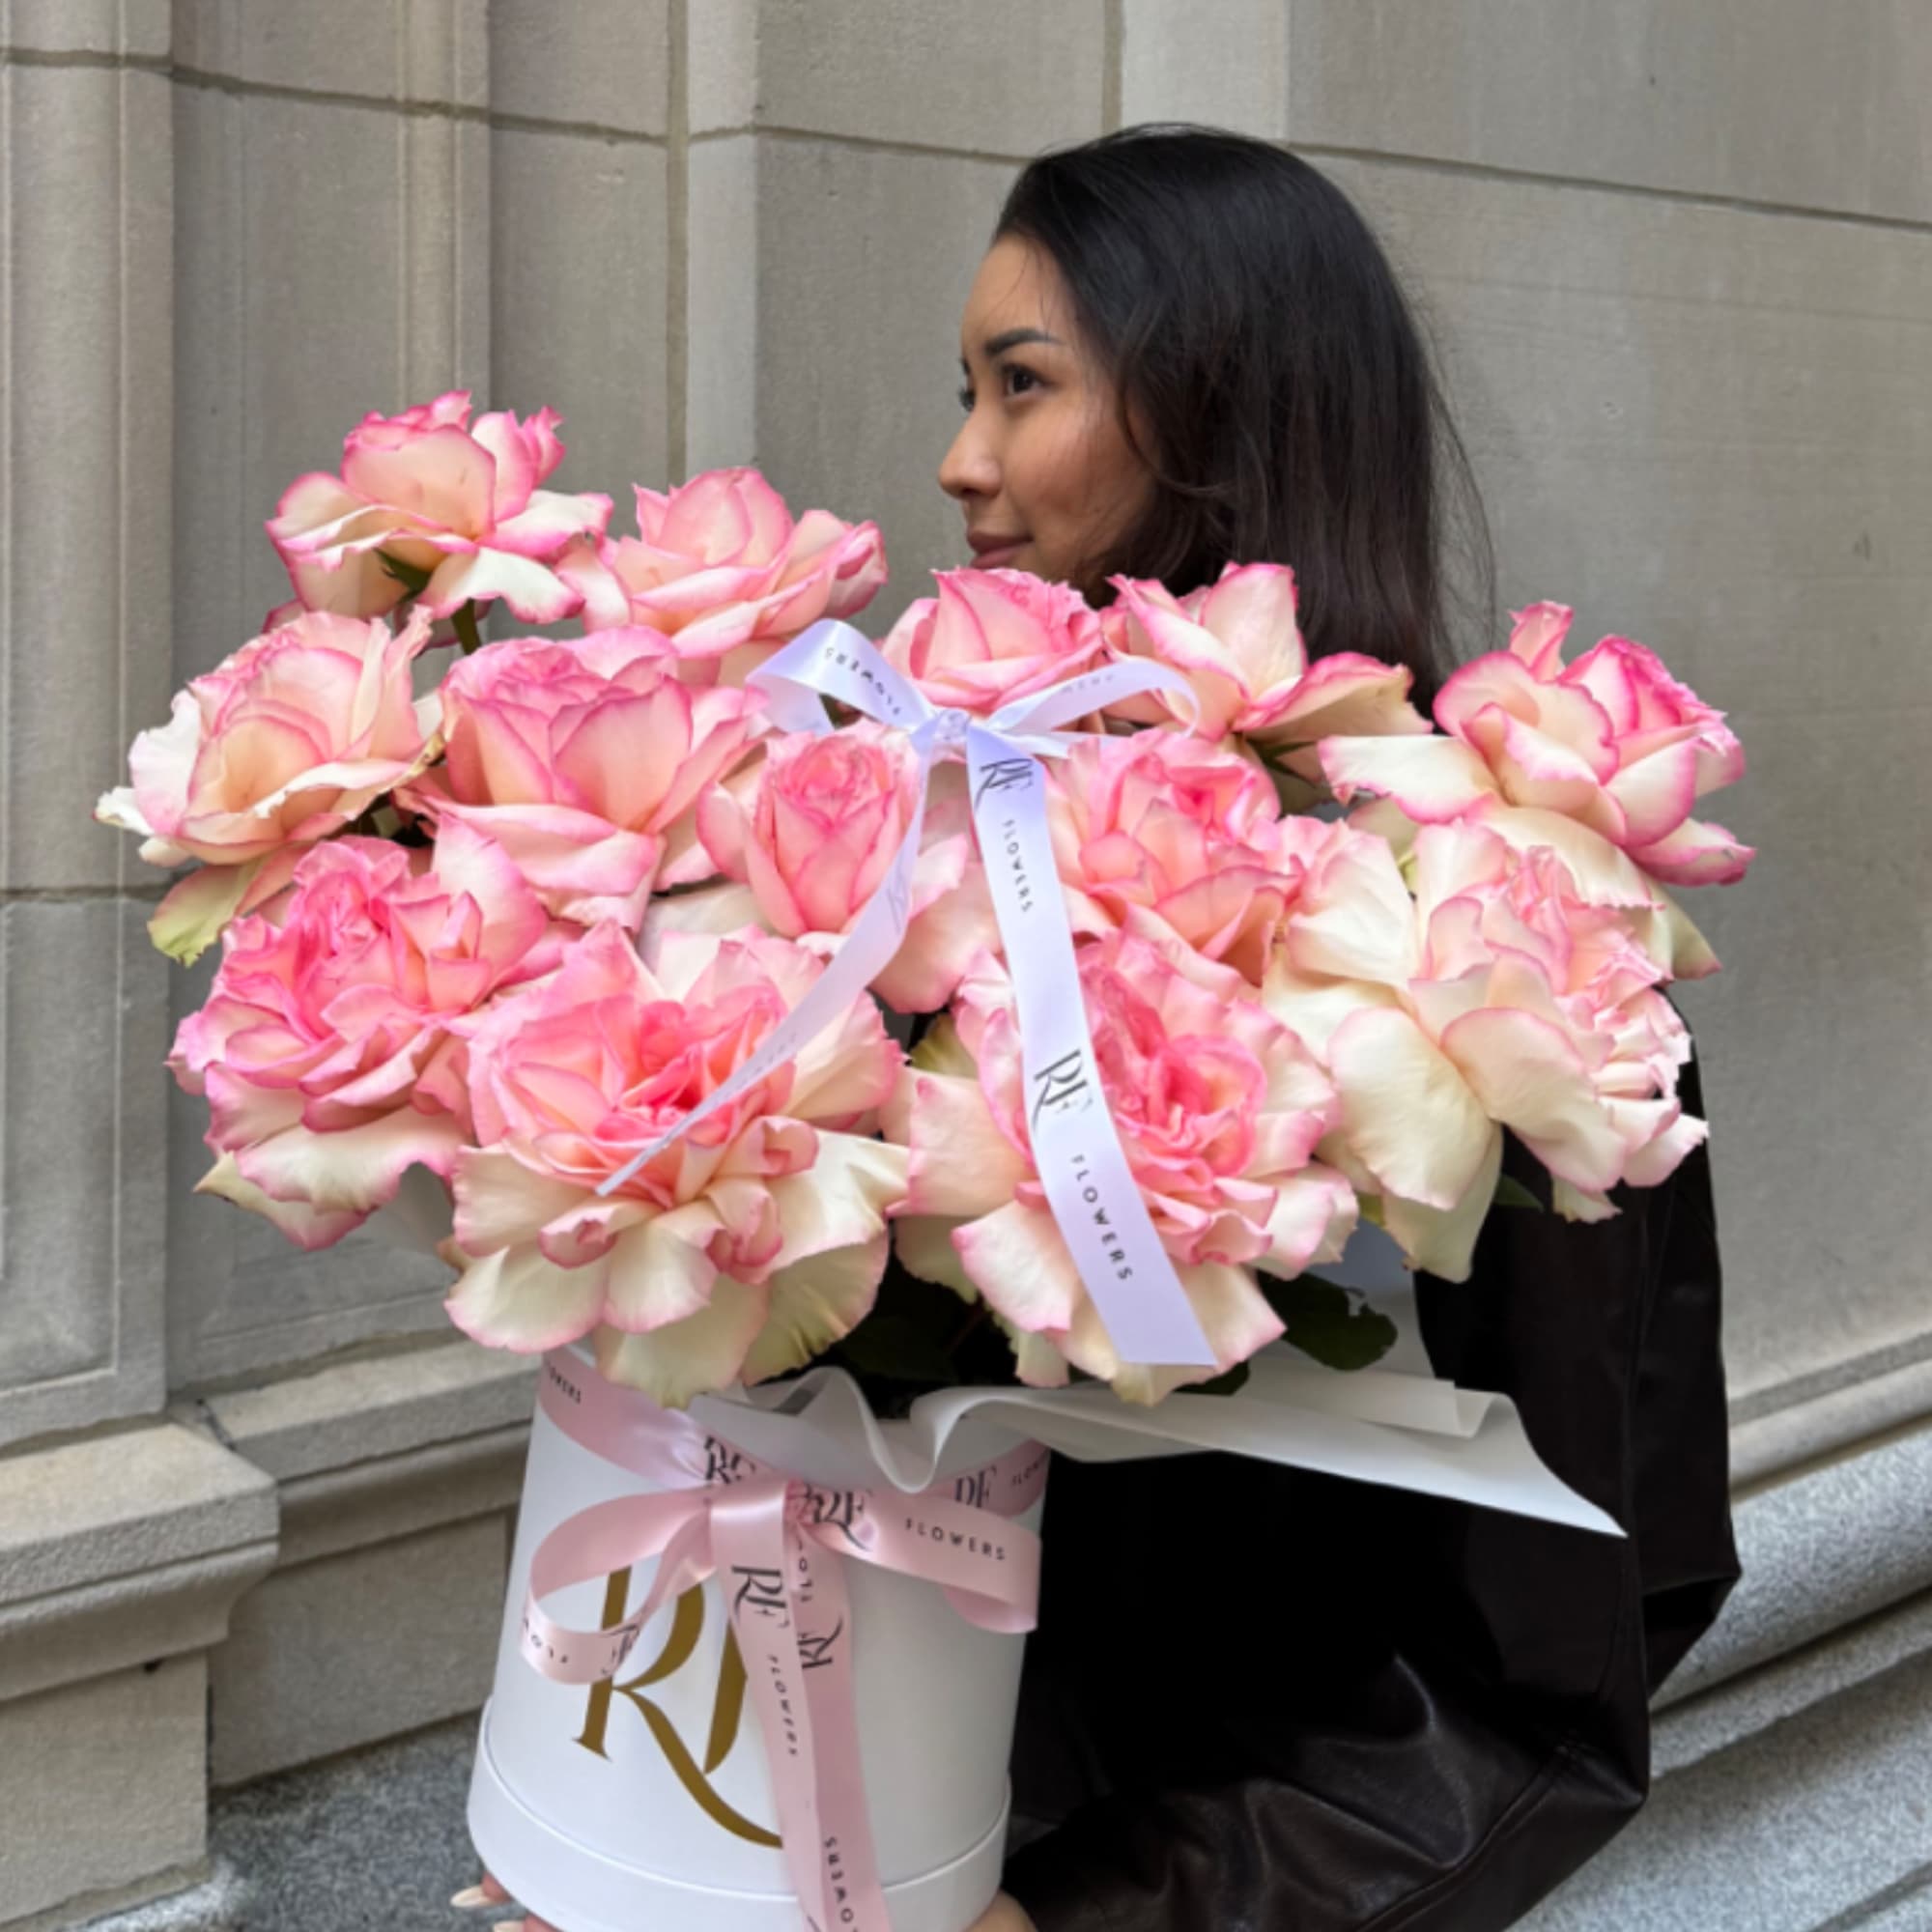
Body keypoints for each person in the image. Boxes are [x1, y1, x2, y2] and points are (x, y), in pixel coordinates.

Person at [939, 127, 1741, 1932]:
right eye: (966, 387)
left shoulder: (1510, 931)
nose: (961, 460)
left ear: (1213, 408)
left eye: (1024, 384)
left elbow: (1568, 1648)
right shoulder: (923, 866)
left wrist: (1093, 1919)